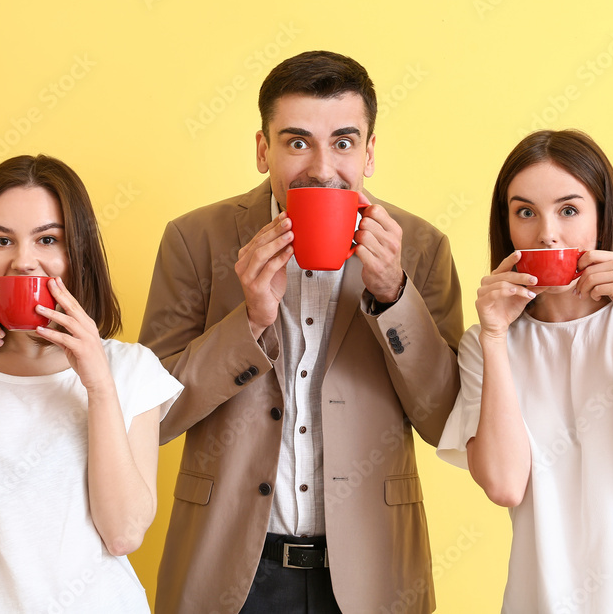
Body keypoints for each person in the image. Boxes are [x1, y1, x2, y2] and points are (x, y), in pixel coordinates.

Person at [140, 50, 462, 613]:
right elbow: (151, 418)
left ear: (369, 151)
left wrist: (394, 298)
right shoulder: (194, 240)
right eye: (296, 142)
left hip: (373, 573)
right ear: (263, 150)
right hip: (229, 572)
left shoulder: (422, 247)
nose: (321, 167)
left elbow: (446, 420)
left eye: (342, 142)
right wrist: (249, 321)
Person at [437, 129, 613, 613]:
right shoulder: (486, 343)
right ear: (506, 225)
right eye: (525, 211)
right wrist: (493, 338)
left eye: (569, 210)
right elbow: (506, 485)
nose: (547, 232)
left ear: (600, 219)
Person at [0, 155, 182, 612]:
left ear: (77, 251)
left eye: (48, 239)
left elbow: (123, 533)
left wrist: (99, 384)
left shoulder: (131, 370)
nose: (23, 262)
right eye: (1, 240)